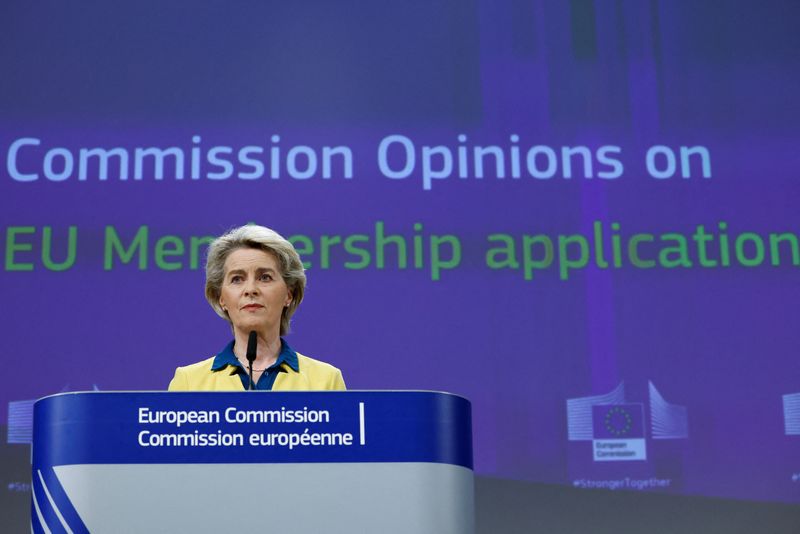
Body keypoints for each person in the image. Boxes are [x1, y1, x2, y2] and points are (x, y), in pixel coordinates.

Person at [168, 224, 345, 391]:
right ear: (221, 298)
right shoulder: (189, 382)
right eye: (237, 279)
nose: (251, 289)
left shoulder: (326, 381)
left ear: (288, 295)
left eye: (265, 277)